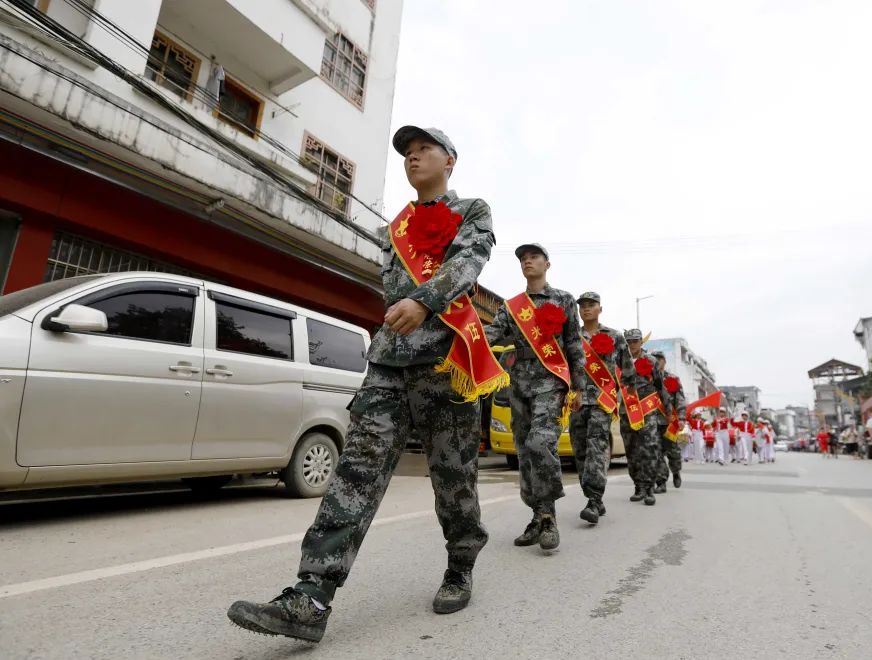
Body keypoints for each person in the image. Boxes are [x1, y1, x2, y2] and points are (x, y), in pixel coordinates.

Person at [227, 126, 500, 642]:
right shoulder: (395, 225)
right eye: (408, 153)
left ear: (451, 160)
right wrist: (403, 315)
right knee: (356, 474)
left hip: (447, 362)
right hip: (390, 363)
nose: (413, 158)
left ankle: (461, 563)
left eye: (424, 150)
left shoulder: (473, 211)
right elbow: (390, 290)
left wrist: (423, 301)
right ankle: (310, 597)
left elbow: (468, 265)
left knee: (454, 480)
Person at [485, 243, 587, 550]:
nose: (528, 262)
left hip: (551, 382)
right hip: (519, 384)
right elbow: (493, 333)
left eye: (534, 257)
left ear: (547, 264)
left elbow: (573, 345)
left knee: (540, 443)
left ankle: (548, 519)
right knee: (524, 452)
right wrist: (464, 338)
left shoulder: (564, 300)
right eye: (523, 259)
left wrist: (579, 386)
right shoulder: (513, 305)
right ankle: (539, 514)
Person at [570, 291, 633, 524]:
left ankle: (594, 501)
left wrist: (620, 394)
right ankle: (593, 496)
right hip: (576, 402)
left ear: (600, 309)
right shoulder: (572, 336)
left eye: (591, 305)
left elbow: (627, 371)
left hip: (601, 402)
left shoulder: (615, 336)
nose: (586, 309)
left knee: (597, 448)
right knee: (581, 453)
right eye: (582, 305)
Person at [620, 329, 667, 505]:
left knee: (650, 448)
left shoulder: (651, 361)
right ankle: (638, 486)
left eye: (635, 341)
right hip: (627, 411)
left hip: (647, 411)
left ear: (641, 342)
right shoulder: (619, 360)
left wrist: (668, 410)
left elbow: (659, 385)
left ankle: (649, 488)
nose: (632, 344)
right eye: (629, 341)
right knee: (631, 450)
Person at [655, 355, 687, 491]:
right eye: (654, 359)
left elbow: (679, 399)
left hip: (670, 421)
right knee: (656, 451)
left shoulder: (672, 378)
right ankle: (661, 482)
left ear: (664, 361)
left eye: (659, 359)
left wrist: (681, 417)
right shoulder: (647, 378)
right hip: (653, 421)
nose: (656, 362)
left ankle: (676, 471)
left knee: (673, 451)